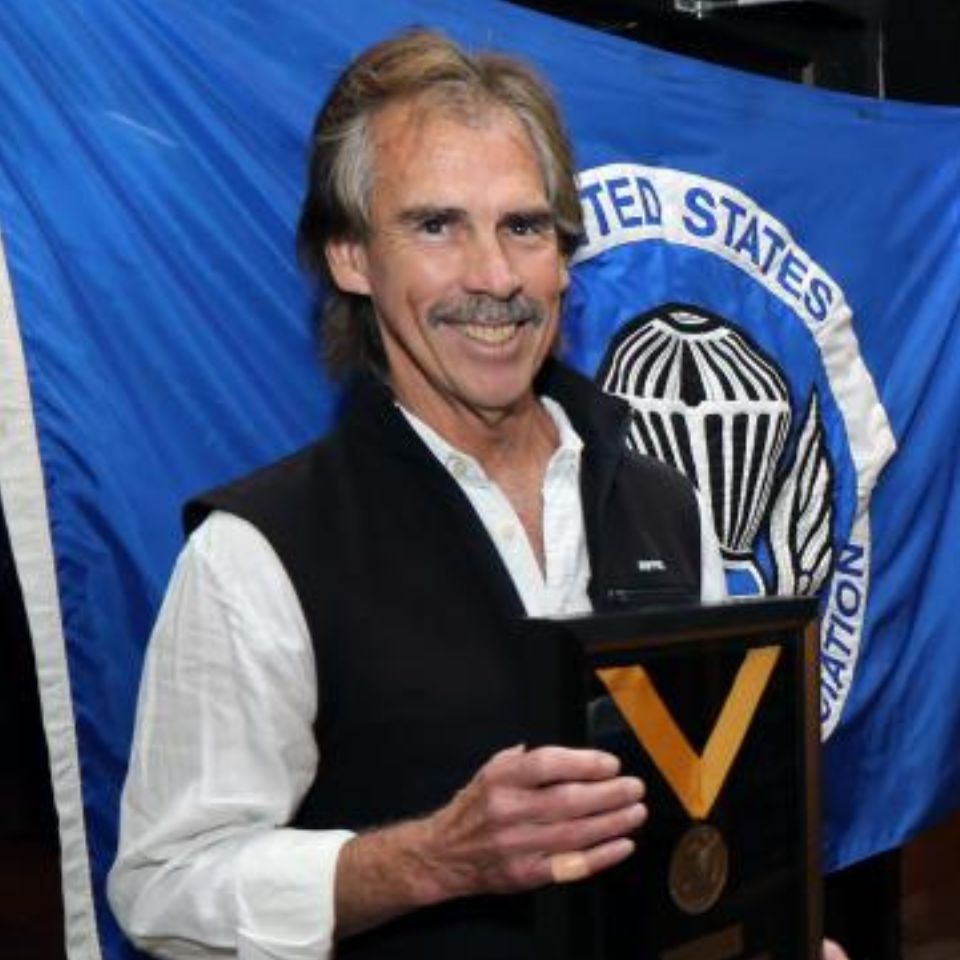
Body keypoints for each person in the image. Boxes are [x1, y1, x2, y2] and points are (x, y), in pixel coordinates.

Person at [108, 28, 845, 960]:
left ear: (564, 258)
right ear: (350, 258)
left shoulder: (665, 504)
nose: (495, 279)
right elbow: (165, 888)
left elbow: (691, 826)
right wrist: (428, 861)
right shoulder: (258, 552)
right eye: (435, 225)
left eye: (524, 227)